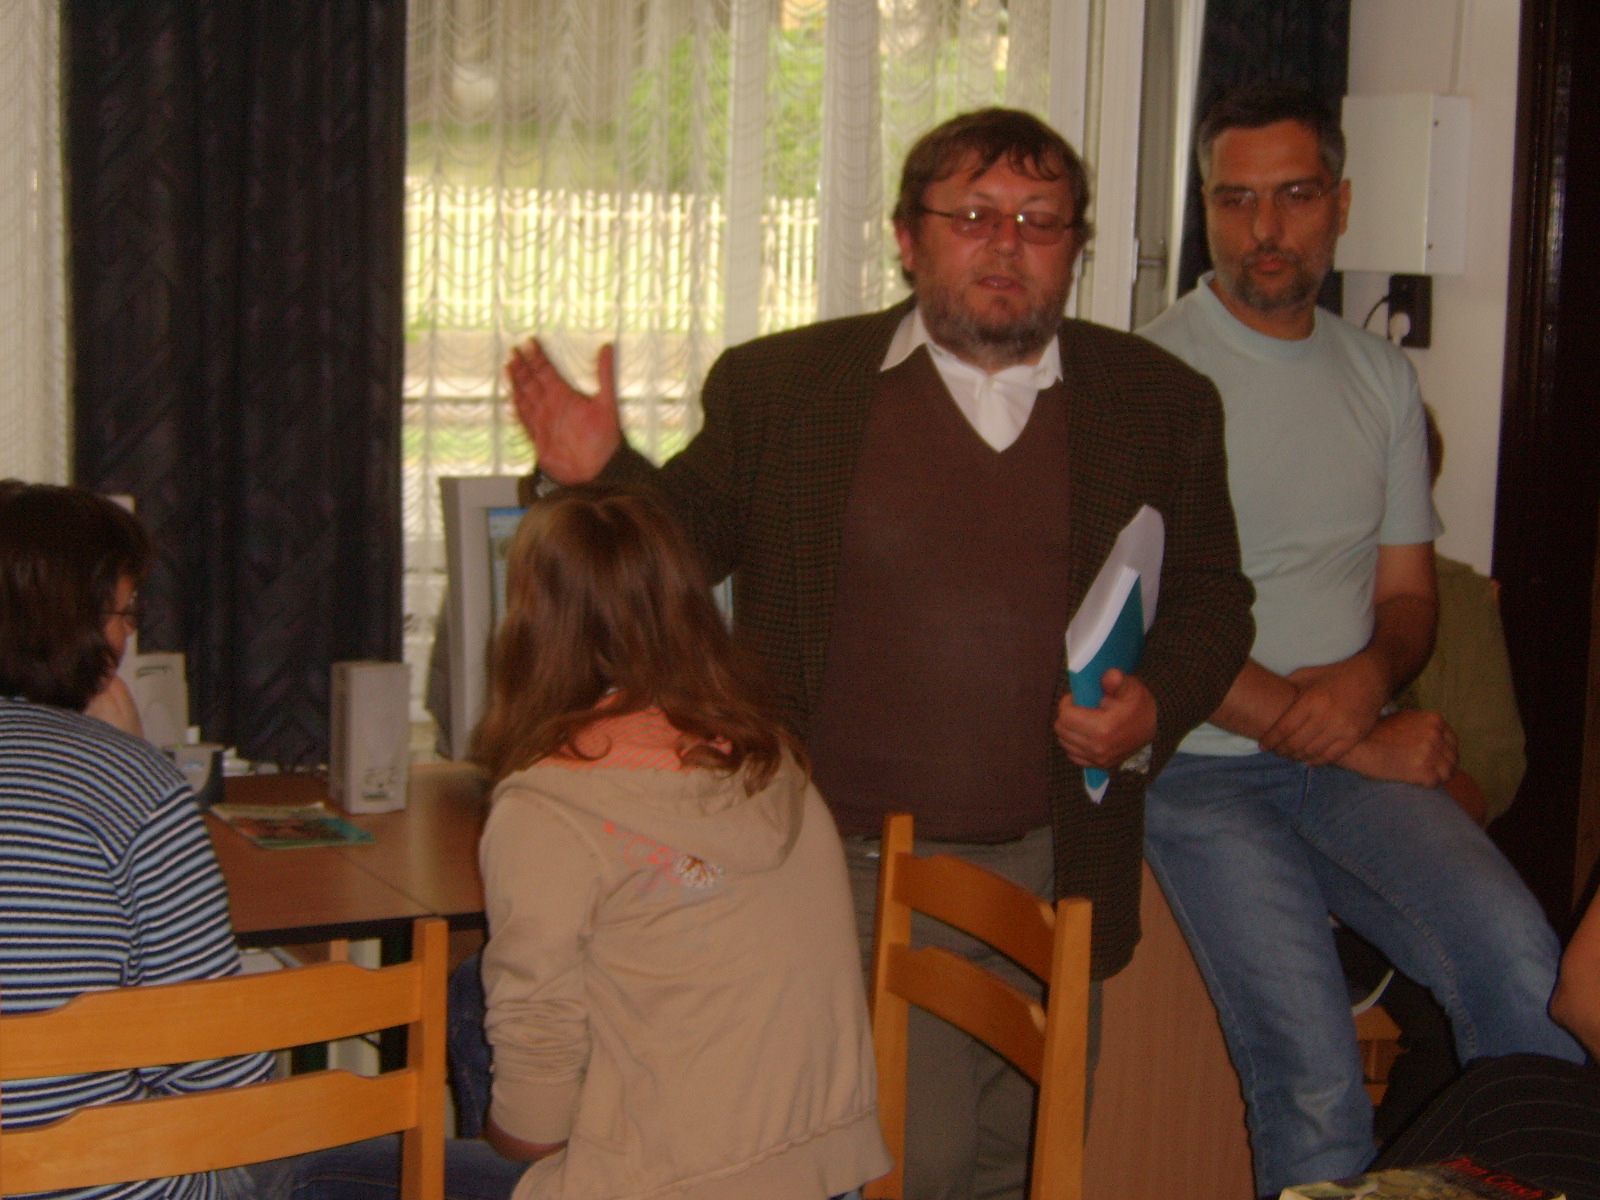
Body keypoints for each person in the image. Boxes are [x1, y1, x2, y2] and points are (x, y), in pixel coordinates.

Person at [506, 107, 1255, 1198]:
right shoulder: (785, 389)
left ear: (1076, 248)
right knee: (918, 1164)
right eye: (974, 216)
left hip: (1063, 859)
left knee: (1034, 1163)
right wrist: (602, 471)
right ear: (908, 238)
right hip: (852, 869)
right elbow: (671, 561)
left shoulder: (1159, 402)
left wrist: (1153, 705)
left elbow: (1213, 600)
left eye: (1040, 221)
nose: (1006, 244)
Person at [1136, 83, 1582, 1197]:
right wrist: (1346, 729)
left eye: (1293, 196)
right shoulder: (1145, 382)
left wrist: (1373, 680)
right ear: (1206, 208)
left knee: (1526, 978)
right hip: (1199, 770)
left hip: (1348, 763)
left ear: (1340, 204)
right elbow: (1148, 626)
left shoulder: (1381, 378)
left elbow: (1409, 596)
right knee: (1315, 1084)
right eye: (1235, 200)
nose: (1263, 227)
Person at [469, 484, 888, 1200]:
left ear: (530, 628)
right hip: (823, 1171)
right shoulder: (772, 762)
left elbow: (536, 1125)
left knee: (306, 1174)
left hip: (671, 1183)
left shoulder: (547, 810)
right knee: (468, 995)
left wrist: (504, 1139)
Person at [0, 480, 273, 1200]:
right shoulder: (133, 786)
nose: (126, 639)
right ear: (76, 628)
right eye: (125, 614)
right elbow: (219, 1076)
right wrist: (132, 759)